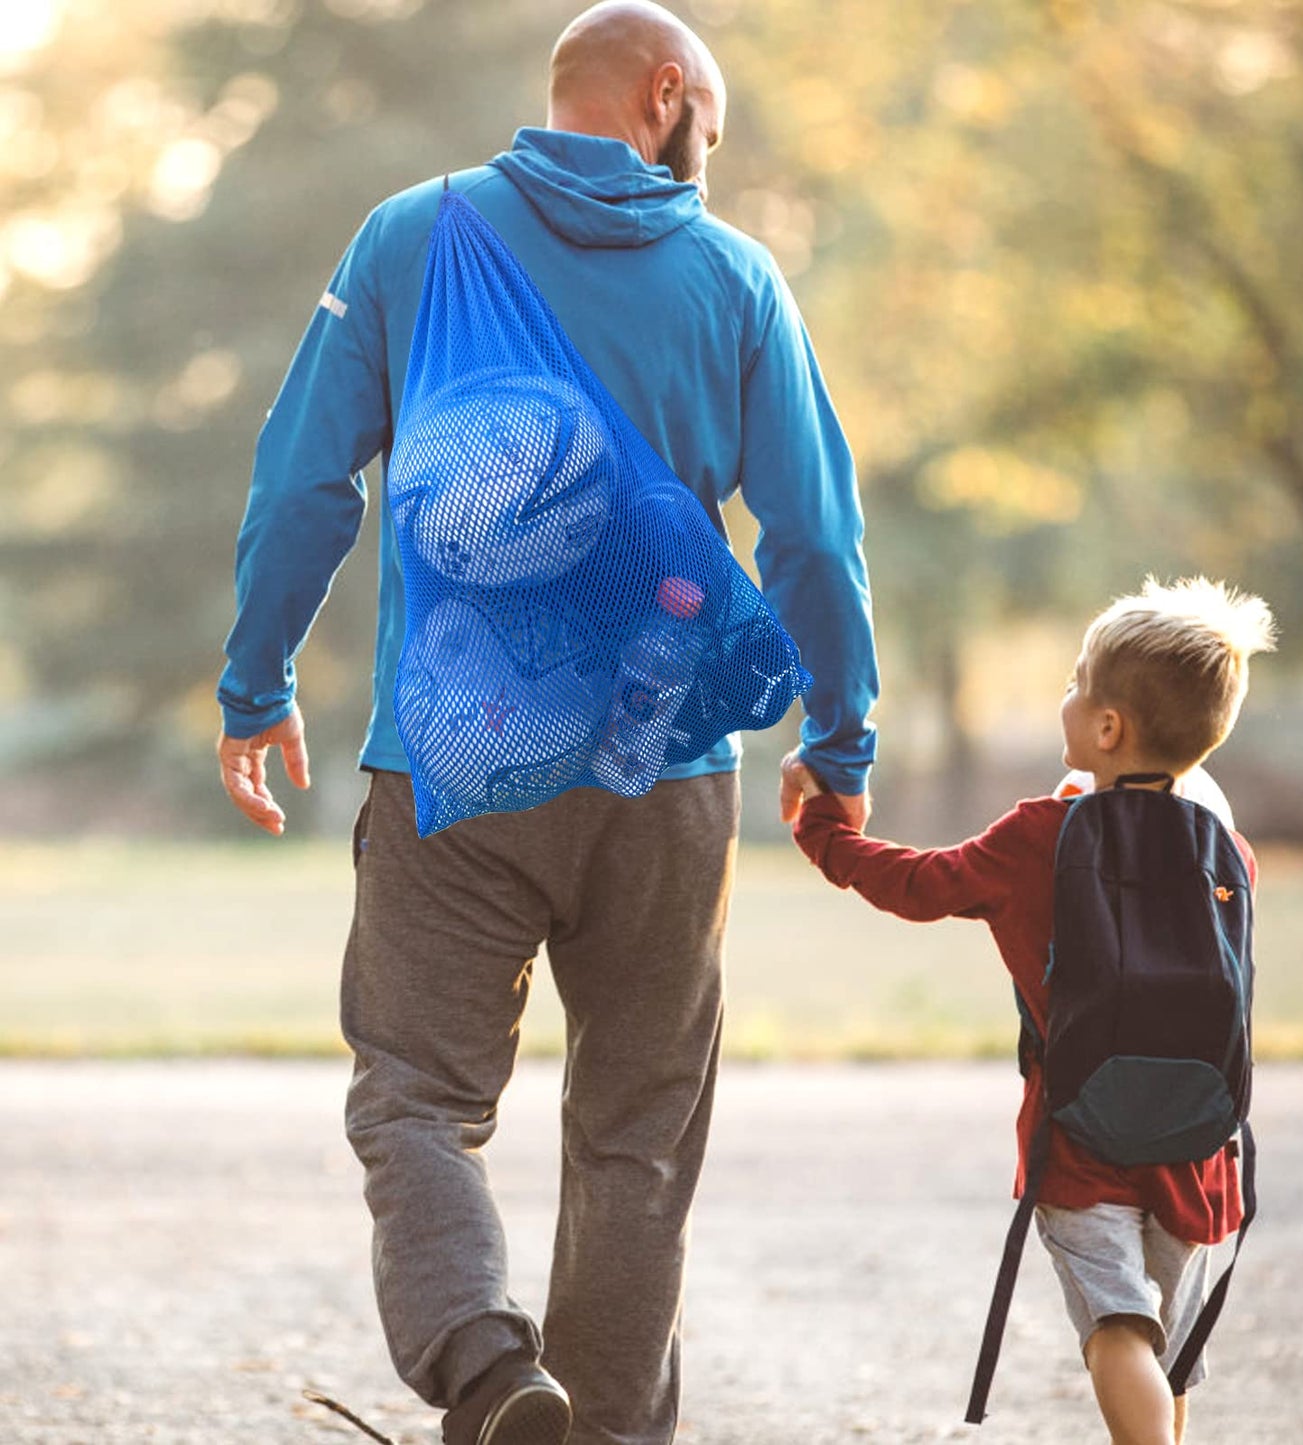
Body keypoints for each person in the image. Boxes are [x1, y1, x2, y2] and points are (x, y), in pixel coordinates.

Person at [214, 4, 879, 1443]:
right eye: (712, 115)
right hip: (666, 773)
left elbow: (304, 484)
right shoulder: (734, 275)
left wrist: (256, 684)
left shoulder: (412, 234)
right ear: (663, 94)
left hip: (455, 767)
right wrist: (841, 740)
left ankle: (488, 1367)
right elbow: (814, 540)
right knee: (635, 1137)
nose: (711, 146)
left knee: (413, 1097)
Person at [786, 577, 1276, 1445]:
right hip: (1199, 1147)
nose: (1064, 694)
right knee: (1169, 1348)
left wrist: (824, 829)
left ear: (1106, 728)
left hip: (1080, 1140)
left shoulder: (1038, 838)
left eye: (1074, 681)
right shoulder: (1226, 852)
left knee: (1119, 1329)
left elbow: (913, 884)